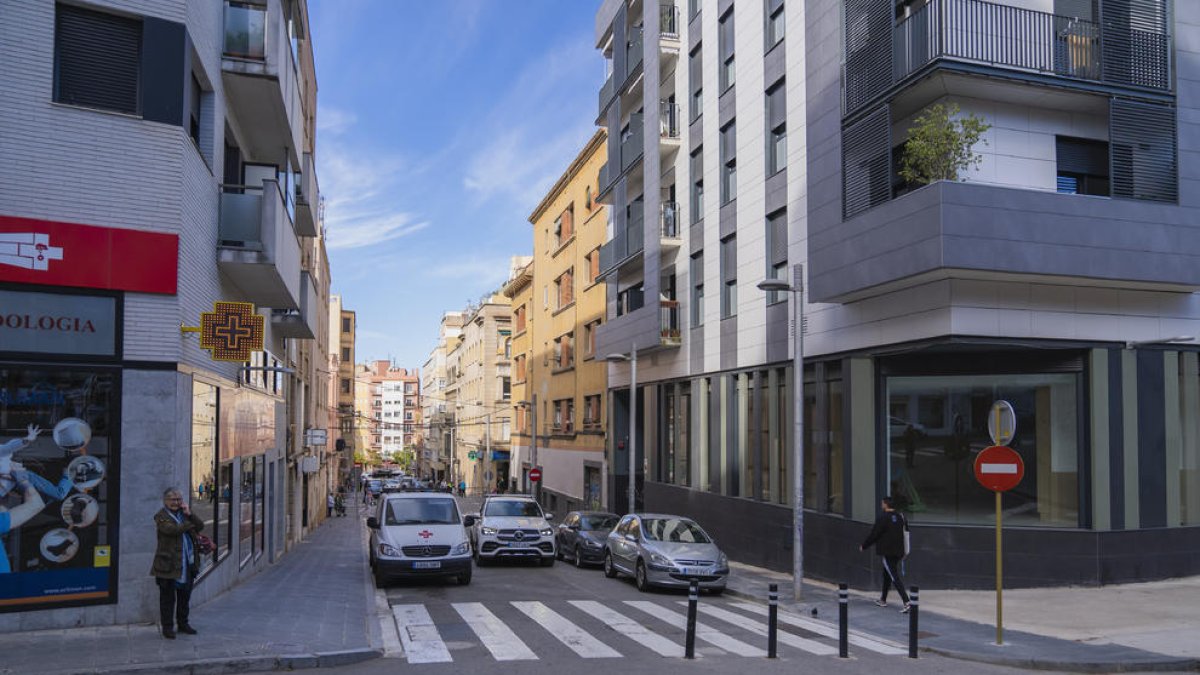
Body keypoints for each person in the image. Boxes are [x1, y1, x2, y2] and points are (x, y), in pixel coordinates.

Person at [151, 488, 204, 638]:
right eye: (173, 500)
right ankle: (167, 627)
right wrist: (189, 523)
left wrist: (190, 514)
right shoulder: (161, 516)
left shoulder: (185, 515)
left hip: (187, 563)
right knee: (167, 598)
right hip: (168, 564)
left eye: (179, 499)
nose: (176, 503)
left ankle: (183, 623)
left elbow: (200, 526)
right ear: (165, 501)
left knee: (184, 597)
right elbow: (172, 530)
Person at [860, 496, 911, 613]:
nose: (881, 505)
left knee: (893, 575)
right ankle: (883, 599)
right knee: (887, 574)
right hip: (899, 551)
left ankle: (907, 602)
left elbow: (875, 534)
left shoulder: (882, 518)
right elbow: (906, 533)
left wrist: (864, 545)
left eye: (882, 503)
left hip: (888, 552)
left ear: (886, 505)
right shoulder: (900, 517)